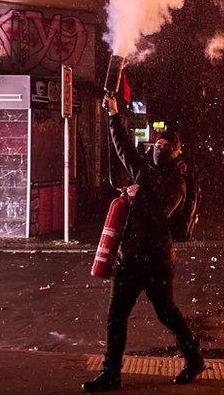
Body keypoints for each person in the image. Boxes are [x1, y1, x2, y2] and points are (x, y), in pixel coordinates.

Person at [82, 95, 204, 391]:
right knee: (116, 316)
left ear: (177, 152)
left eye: (166, 147)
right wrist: (113, 115)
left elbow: (162, 212)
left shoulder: (177, 180)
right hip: (130, 257)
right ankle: (111, 373)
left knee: (166, 312)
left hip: (156, 260)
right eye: (158, 145)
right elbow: (123, 147)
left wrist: (139, 195)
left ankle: (193, 357)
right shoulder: (143, 169)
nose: (160, 150)